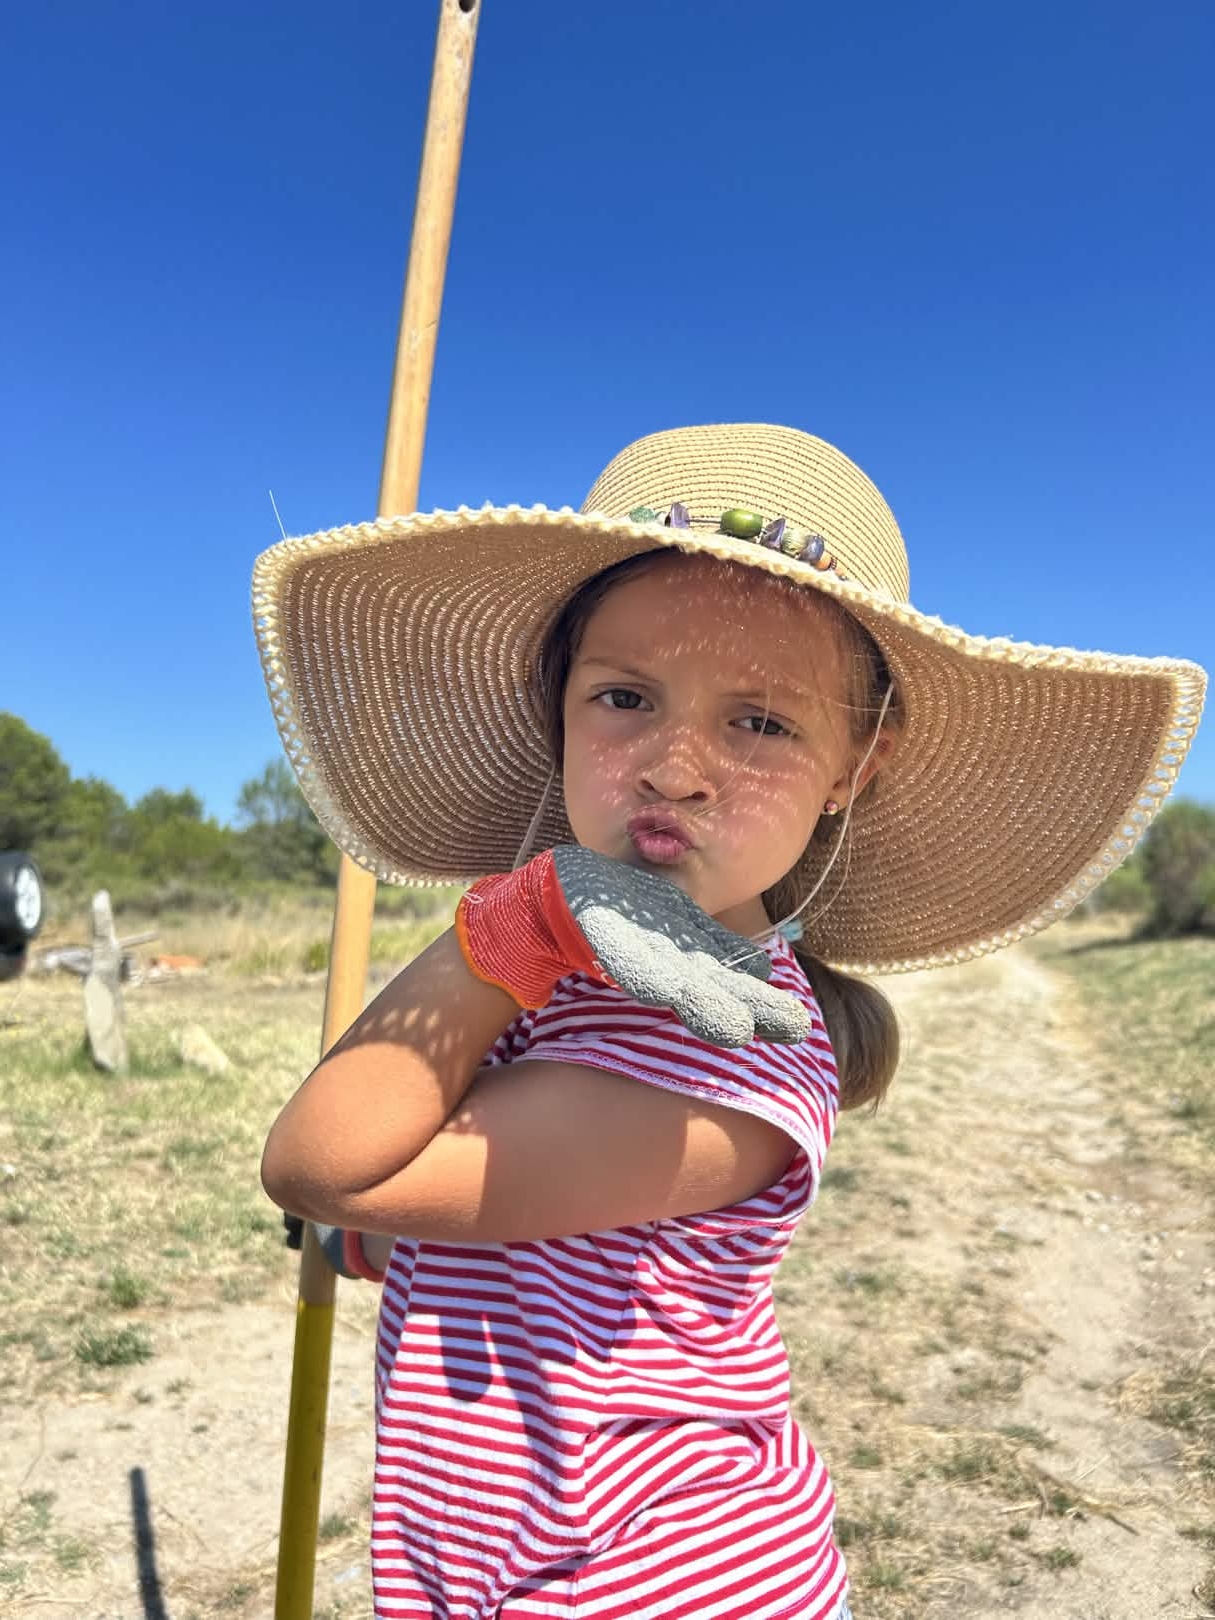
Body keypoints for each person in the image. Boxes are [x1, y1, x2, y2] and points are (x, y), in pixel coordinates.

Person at [254, 423, 1204, 1620]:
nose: (675, 767)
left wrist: (519, 921)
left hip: (656, 1582)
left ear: (856, 765)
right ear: (560, 712)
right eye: (624, 697)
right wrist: (369, 1244)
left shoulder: (733, 1047)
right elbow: (472, 1235)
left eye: (760, 723)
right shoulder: (561, 977)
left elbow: (322, 1163)